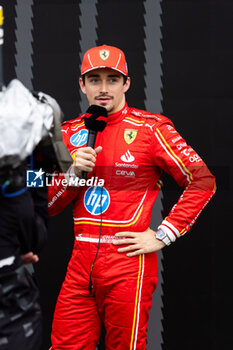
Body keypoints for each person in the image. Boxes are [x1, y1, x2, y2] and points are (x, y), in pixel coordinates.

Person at [48, 44, 216, 350]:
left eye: (112, 79)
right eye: (94, 79)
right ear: (82, 84)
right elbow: (48, 204)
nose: (103, 88)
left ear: (126, 83)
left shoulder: (150, 129)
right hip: (80, 261)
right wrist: (72, 173)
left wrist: (165, 233)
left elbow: (202, 180)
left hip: (128, 262)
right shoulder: (67, 134)